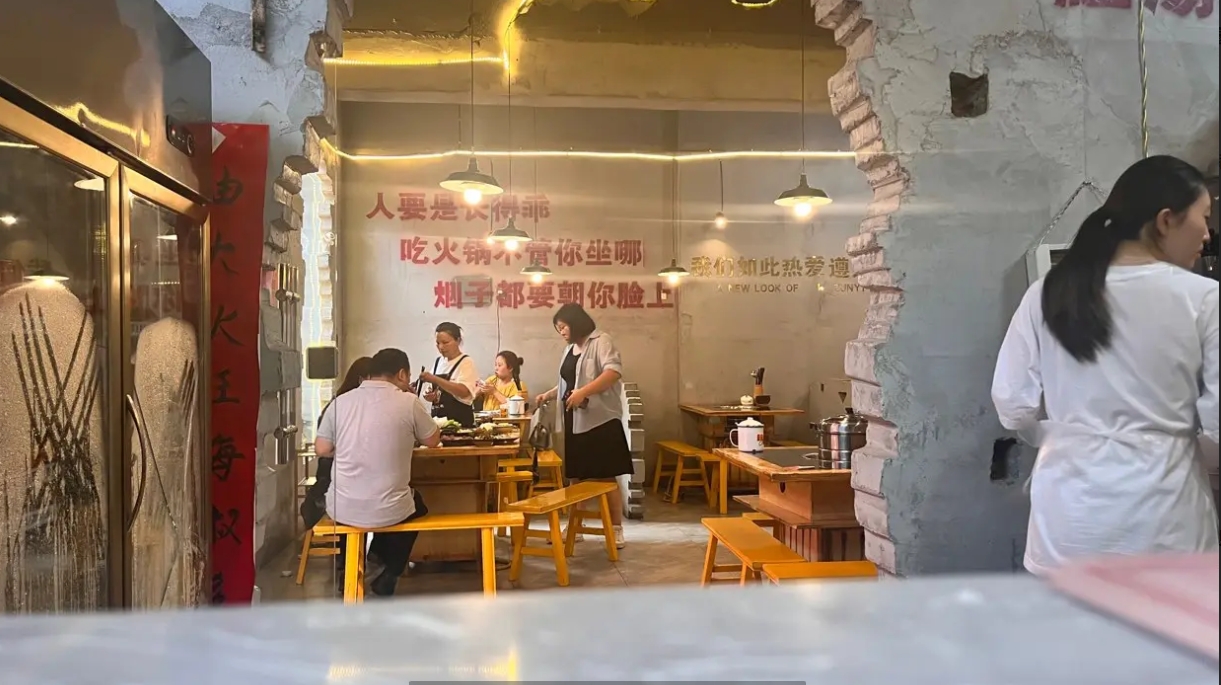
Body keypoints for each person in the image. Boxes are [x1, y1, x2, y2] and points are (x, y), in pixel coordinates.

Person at [992, 154, 1218, 576]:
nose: (1207, 234)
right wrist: (1174, 446)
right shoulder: (1205, 299)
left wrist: (1067, 437)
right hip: (1165, 521)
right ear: (1166, 220)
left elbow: (1013, 406)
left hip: (1069, 520)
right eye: (1203, 218)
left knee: (1068, 621)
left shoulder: (1048, 292)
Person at [315, 347, 441, 597]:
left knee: (378, 501)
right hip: (389, 510)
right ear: (402, 374)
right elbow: (432, 440)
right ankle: (387, 568)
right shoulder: (408, 402)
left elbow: (322, 449)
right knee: (416, 506)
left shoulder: (341, 401)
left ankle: (355, 567)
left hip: (341, 507)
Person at [534, 303, 631, 548]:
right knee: (575, 477)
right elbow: (569, 382)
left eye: (563, 327)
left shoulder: (601, 341)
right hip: (574, 420)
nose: (561, 332)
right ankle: (574, 527)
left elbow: (613, 372)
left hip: (601, 420)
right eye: (558, 328)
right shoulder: (569, 349)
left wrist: (583, 392)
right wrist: (549, 394)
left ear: (576, 323)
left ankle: (616, 529)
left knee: (606, 477)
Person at [300, 356, 373, 529]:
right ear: (362, 380)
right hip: (335, 484)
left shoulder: (340, 404)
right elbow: (324, 449)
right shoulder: (343, 407)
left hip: (341, 483)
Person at [419, 322, 480, 427]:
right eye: (438, 343)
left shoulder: (466, 362)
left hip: (460, 423)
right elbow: (433, 389)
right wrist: (428, 395)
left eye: (445, 342)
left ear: (458, 341)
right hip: (438, 421)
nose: (441, 347)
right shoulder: (438, 362)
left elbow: (464, 392)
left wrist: (435, 379)